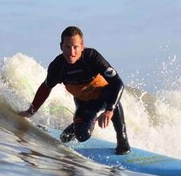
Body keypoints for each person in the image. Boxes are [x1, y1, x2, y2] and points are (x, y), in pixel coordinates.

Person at [19, 26, 131, 155]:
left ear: (82, 46)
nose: (71, 52)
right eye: (67, 47)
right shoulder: (58, 66)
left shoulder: (92, 57)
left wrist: (109, 110)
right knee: (77, 137)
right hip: (84, 105)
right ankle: (78, 126)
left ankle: (123, 142)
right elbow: (46, 87)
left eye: (75, 47)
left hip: (105, 98)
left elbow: (118, 83)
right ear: (61, 46)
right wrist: (30, 111)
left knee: (111, 94)